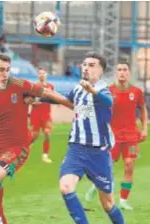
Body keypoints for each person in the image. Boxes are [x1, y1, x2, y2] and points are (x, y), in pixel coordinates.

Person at [0, 54, 73, 224]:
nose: (5, 74)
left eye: (7, 70)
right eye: (1, 70)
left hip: (18, 146)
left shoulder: (18, 84)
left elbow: (48, 92)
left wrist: (75, 106)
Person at [59, 52, 125, 224]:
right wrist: (37, 97)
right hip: (76, 148)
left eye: (91, 65)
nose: (86, 68)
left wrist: (92, 90)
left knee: (108, 204)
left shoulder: (104, 90)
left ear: (101, 71)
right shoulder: (78, 89)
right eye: (85, 64)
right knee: (66, 187)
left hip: (99, 153)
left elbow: (108, 102)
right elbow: (61, 98)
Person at [85, 61, 148, 210]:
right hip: (112, 136)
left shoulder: (137, 92)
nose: (122, 72)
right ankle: (95, 185)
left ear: (129, 73)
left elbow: (143, 110)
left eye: (125, 69)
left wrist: (145, 128)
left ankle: (123, 200)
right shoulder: (108, 91)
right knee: (107, 167)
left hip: (131, 136)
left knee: (129, 166)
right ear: (116, 73)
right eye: (119, 69)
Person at [29, 68, 55, 163]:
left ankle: (45, 156)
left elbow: (53, 98)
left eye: (43, 73)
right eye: (40, 73)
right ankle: (26, 147)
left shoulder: (51, 87)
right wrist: (39, 101)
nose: (41, 75)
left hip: (46, 114)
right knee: (34, 135)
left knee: (47, 133)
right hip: (35, 114)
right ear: (38, 75)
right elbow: (30, 100)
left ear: (46, 75)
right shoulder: (33, 87)